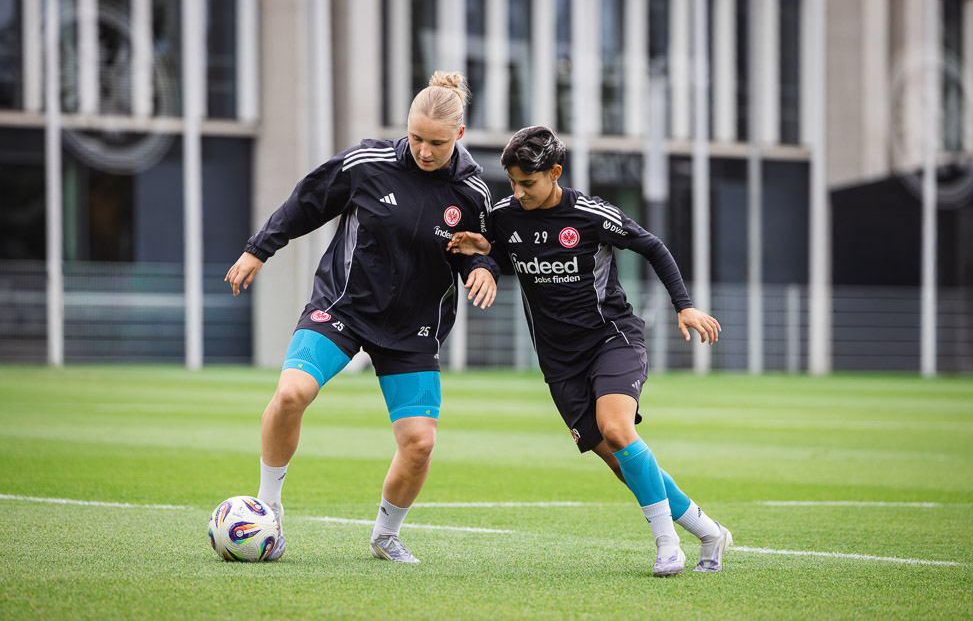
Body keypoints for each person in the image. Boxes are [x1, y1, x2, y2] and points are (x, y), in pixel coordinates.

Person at [225, 71, 499, 564]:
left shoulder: (474, 194)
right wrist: (258, 250)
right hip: (343, 307)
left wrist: (481, 268)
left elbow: (478, 250)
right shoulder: (367, 163)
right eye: (415, 137)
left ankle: (385, 536)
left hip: (413, 327)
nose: (424, 150)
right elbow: (305, 202)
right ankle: (268, 507)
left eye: (436, 142)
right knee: (291, 393)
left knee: (419, 444)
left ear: (459, 136)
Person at [447, 125, 731, 577]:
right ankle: (710, 531)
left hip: (611, 339)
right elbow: (499, 253)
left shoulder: (590, 215)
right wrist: (481, 257)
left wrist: (685, 306)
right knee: (621, 462)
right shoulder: (503, 215)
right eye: (513, 183)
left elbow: (653, 247)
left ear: (555, 172)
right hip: (558, 362)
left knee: (617, 429)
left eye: (528, 183)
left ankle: (667, 545)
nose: (518, 193)